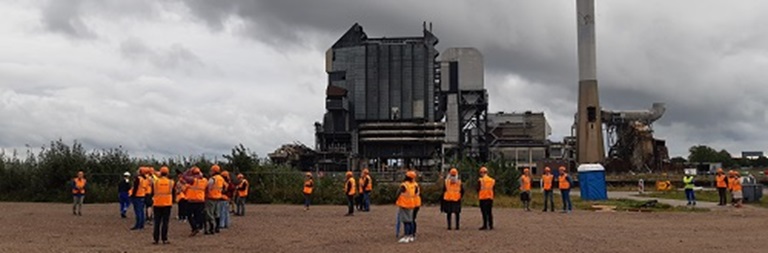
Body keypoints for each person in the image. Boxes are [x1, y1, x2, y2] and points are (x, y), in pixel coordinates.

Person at [152, 166, 174, 245]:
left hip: (157, 203)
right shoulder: (171, 182)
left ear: (160, 173)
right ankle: (164, 239)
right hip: (167, 204)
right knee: (165, 222)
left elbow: (154, 178)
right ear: (167, 173)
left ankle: (156, 239)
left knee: (157, 222)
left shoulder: (156, 182)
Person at [184, 166, 207, 236]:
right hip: (201, 200)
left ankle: (194, 228)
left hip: (192, 201)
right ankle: (199, 227)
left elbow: (184, 177)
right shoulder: (205, 180)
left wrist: (188, 171)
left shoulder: (193, 180)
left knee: (189, 216)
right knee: (198, 215)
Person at [397, 171, 418, 243]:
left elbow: (398, 193)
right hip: (412, 203)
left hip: (404, 204)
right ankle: (411, 235)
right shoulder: (415, 185)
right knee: (411, 220)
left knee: (406, 221)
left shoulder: (404, 185)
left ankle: (406, 236)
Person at [205, 164, 227, 234]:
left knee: (209, 213)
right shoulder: (221, 178)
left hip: (210, 197)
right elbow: (225, 187)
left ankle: (212, 227)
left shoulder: (213, 178)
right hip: (218, 197)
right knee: (217, 213)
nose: (210, 172)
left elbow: (208, 187)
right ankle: (217, 227)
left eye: (211, 170)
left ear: (214, 171)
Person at [412, 170, 422, 237]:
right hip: (416, 203)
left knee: (411, 219)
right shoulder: (416, 185)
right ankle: (413, 232)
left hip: (412, 203)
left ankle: (411, 232)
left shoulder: (412, 185)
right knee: (413, 218)